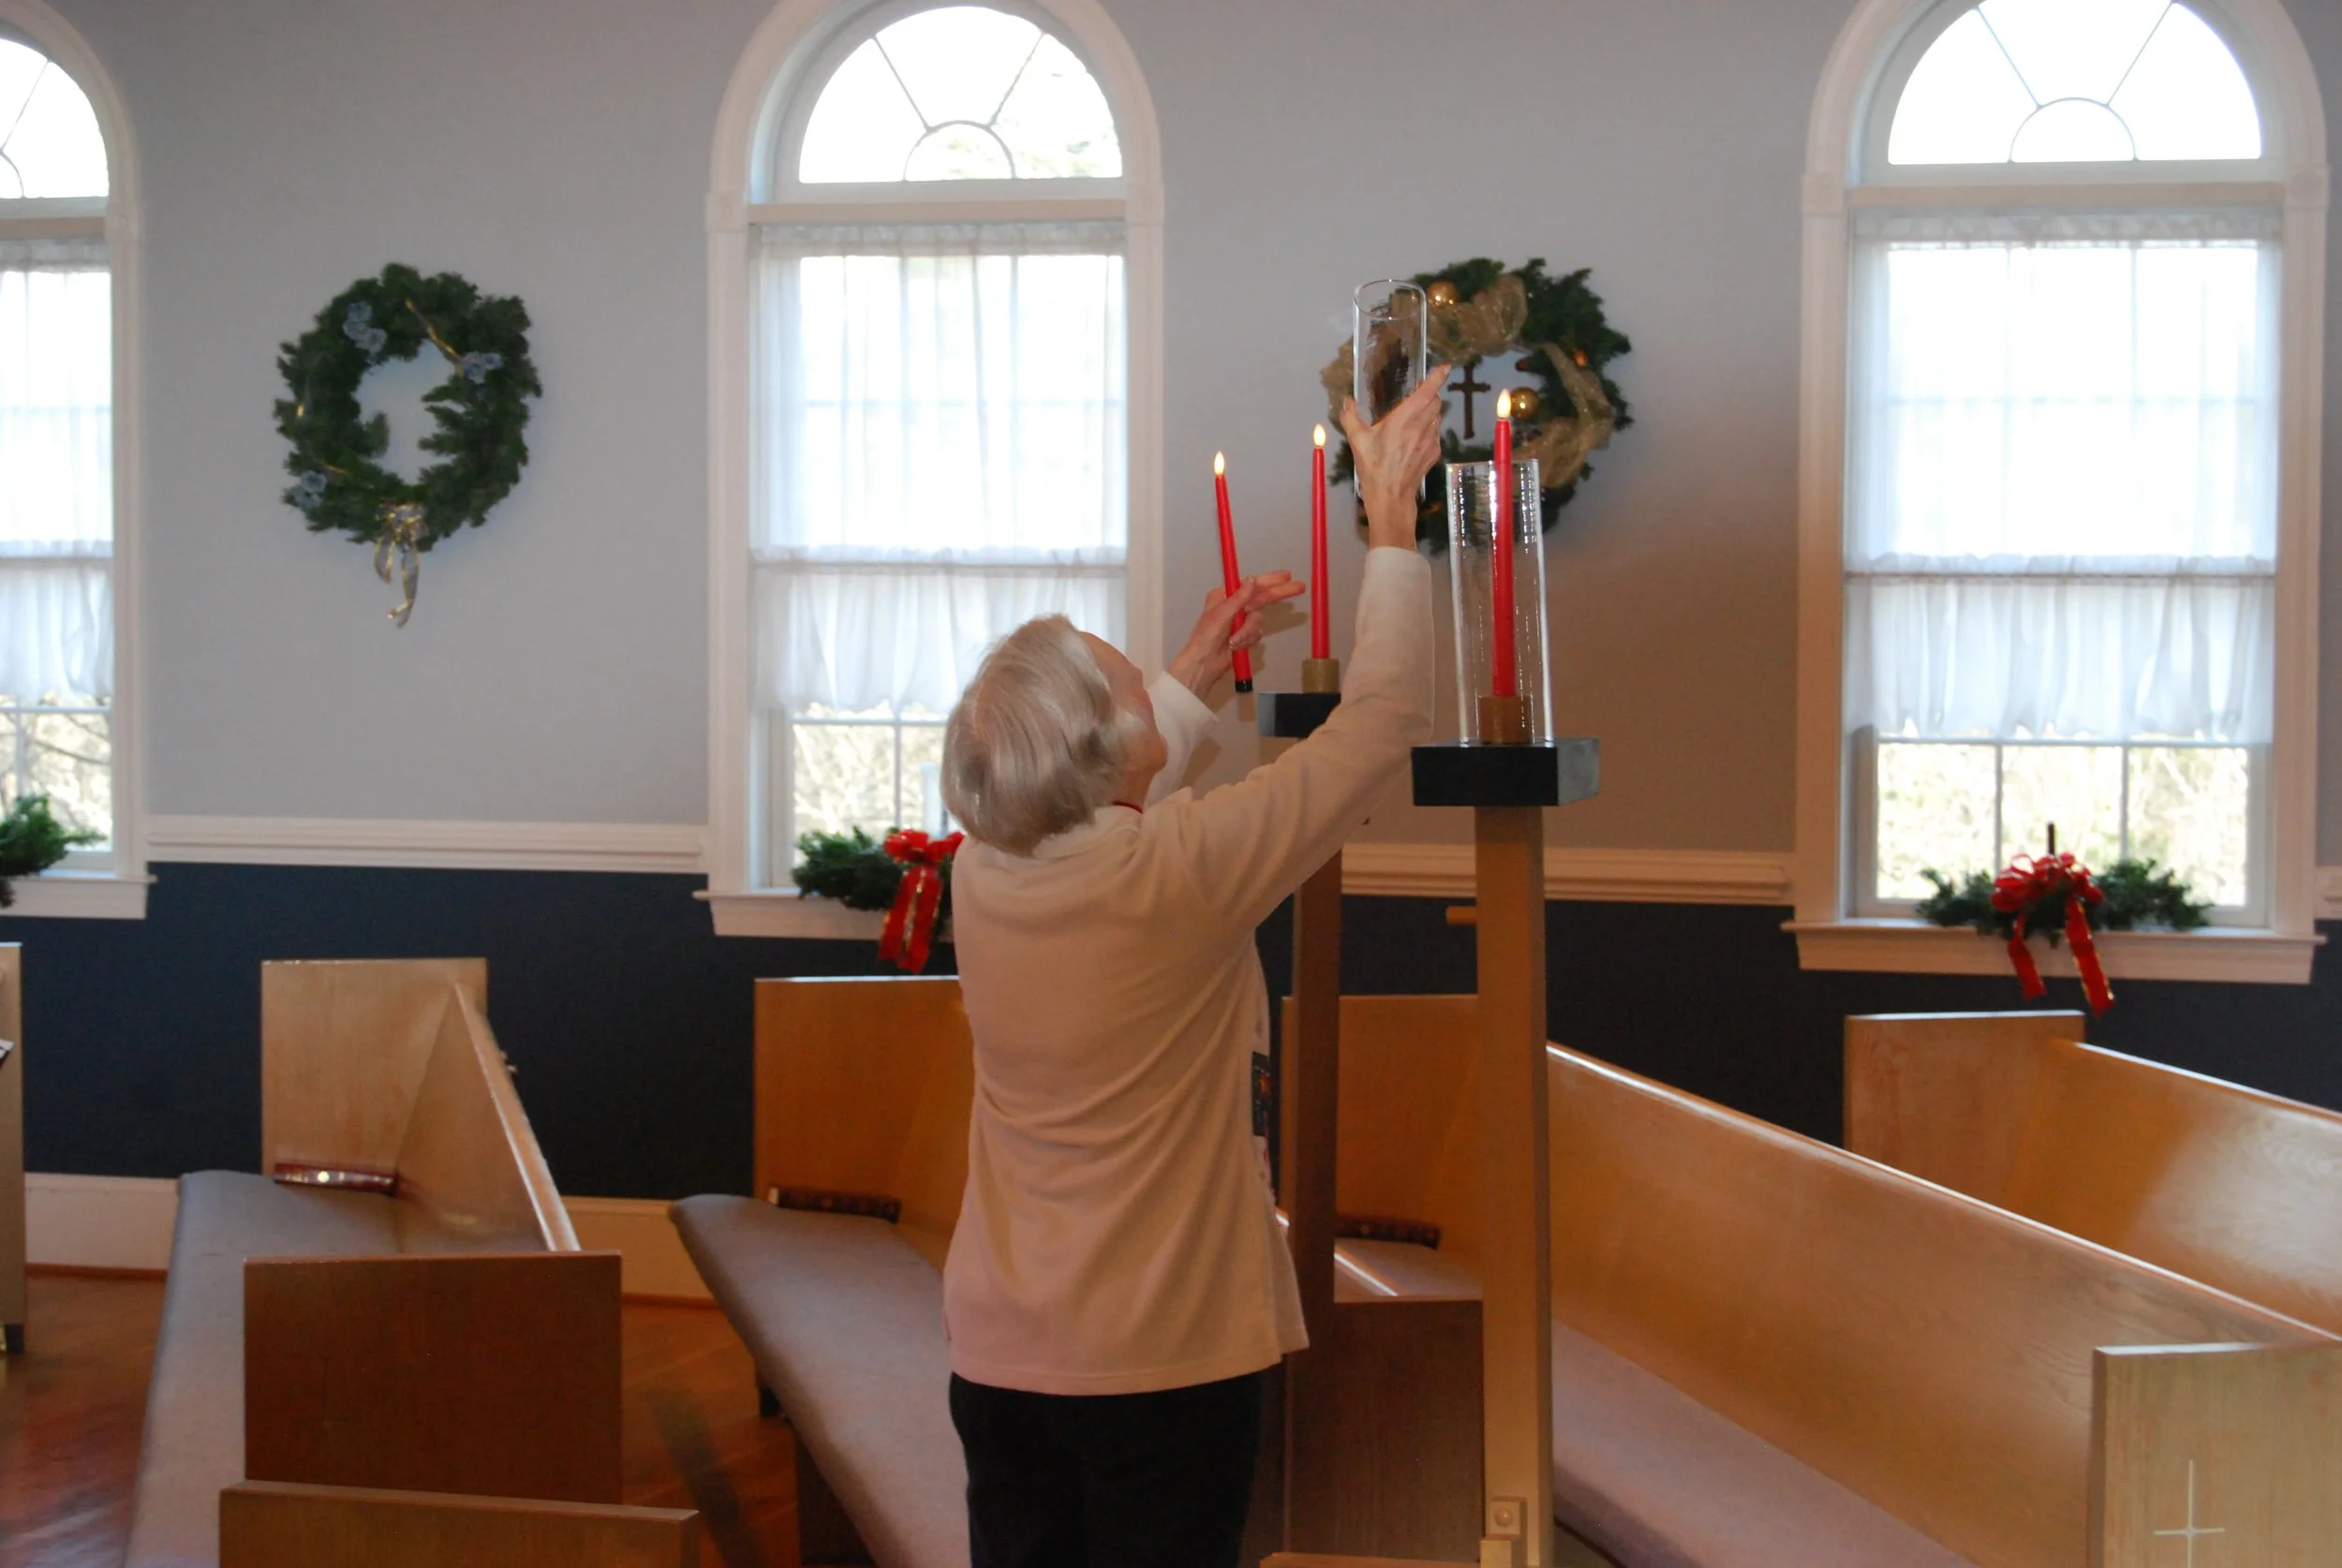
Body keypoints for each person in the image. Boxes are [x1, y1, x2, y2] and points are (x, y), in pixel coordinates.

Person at [937, 368, 1450, 1568]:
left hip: (1000, 1352)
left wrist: (1186, 674)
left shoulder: (983, 869)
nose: (1144, 679)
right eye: (1129, 677)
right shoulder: (1178, 873)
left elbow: (1084, 796)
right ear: (1113, 738)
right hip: (1156, 1359)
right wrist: (1389, 527)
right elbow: (1380, 718)